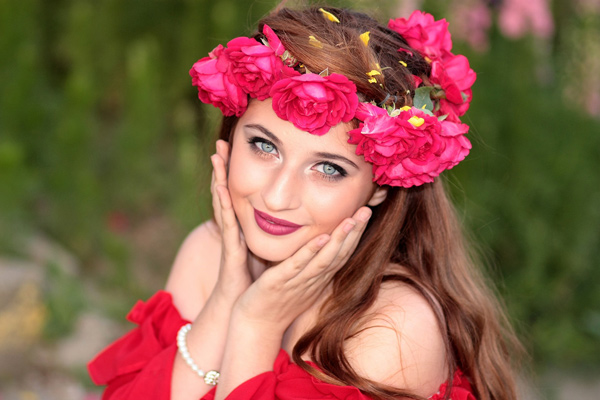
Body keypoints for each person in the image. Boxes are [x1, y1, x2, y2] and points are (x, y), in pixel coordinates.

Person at [88, 4, 522, 400]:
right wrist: (226, 299)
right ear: (230, 138)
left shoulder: (393, 326)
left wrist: (256, 324)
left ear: (381, 185)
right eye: (263, 146)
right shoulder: (209, 255)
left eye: (328, 169)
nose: (277, 197)